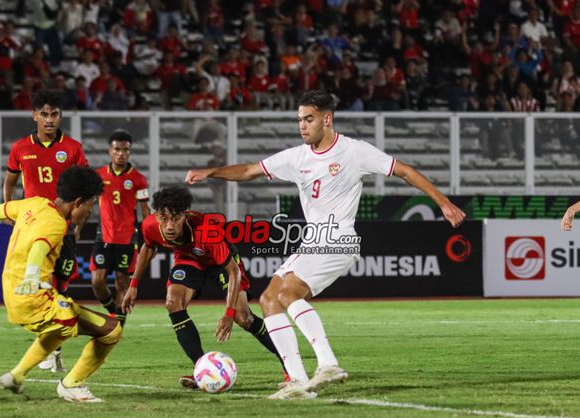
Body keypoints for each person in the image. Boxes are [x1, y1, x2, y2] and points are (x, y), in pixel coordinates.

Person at [185, 90, 465, 399]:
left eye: (309, 119)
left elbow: (405, 171)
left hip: (338, 238)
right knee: (269, 299)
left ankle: (328, 364)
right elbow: (250, 170)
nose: (302, 126)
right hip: (313, 241)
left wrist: (444, 203)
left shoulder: (354, 151)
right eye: (299, 120)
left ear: (327, 119)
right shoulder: (297, 157)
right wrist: (212, 172)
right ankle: (297, 381)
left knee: (289, 294)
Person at [0, 166, 119, 403]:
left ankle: (16, 376)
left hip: (13, 294)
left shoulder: (34, 203)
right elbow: (40, 246)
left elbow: (0, 210)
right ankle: (72, 385)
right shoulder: (56, 223)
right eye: (91, 205)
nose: (91, 212)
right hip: (33, 296)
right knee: (111, 330)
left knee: (59, 328)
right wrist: (32, 276)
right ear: (78, 202)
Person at [120, 186, 286, 389]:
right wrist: (133, 285)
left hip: (221, 263)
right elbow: (148, 247)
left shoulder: (206, 231)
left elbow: (233, 272)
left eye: (176, 218)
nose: (169, 225)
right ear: (157, 215)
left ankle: (289, 364)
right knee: (173, 303)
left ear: (186, 215)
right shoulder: (150, 225)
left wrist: (229, 313)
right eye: (164, 218)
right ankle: (201, 370)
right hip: (188, 259)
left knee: (243, 317)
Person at [4, 88, 89, 373]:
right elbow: (10, 180)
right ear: (34, 116)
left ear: (60, 116)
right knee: (41, 287)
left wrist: (78, 222)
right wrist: (9, 207)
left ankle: (53, 346)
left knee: (61, 287)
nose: (49, 119)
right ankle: (51, 349)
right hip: (33, 229)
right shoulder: (20, 148)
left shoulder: (73, 148)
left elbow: (85, 186)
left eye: (54, 114)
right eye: (44, 114)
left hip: (62, 228)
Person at [90, 130, 151, 327]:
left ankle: (118, 326)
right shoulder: (98, 176)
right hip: (103, 237)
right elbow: (89, 202)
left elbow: (144, 208)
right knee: (97, 281)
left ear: (130, 152)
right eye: (117, 149)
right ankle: (112, 310)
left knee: (122, 282)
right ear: (110, 151)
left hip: (127, 238)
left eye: (125, 150)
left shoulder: (139, 179)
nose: (121, 153)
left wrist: (151, 234)